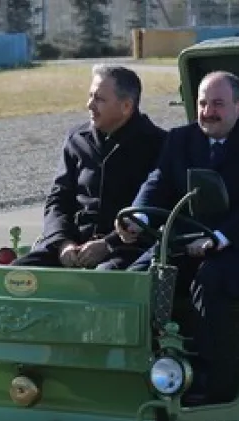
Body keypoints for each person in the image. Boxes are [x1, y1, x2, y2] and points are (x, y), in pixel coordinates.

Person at [127, 70, 239, 405]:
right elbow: (157, 182)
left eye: (217, 104)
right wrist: (138, 215)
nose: (207, 112)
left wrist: (219, 238)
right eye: (202, 103)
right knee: (136, 278)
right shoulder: (180, 139)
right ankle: (137, 365)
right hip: (189, 237)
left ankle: (207, 377)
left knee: (212, 279)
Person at [11, 64, 167, 270]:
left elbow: (158, 208)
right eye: (90, 96)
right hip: (72, 246)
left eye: (99, 99)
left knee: (104, 279)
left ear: (127, 106)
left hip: (126, 250)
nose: (89, 104)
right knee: (16, 274)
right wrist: (62, 243)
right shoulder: (77, 140)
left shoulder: (159, 145)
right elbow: (58, 198)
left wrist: (109, 244)